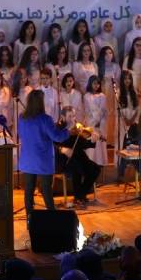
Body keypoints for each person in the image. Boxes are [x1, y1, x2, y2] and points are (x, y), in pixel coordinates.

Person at [18, 89, 70, 217]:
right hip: (43, 160)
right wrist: (68, 130)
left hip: (28, 159)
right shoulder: (45, 119)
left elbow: (25, 134)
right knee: (47, 192)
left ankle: (30, 221)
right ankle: (52, 220)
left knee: (29, 192)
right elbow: (57, 137)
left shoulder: (22, 118)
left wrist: (58, 126)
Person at [55, 107, 101, 208]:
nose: (73, 119)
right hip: (64, 160)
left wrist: (92, 141)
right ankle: (79, 197)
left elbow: (82, 144)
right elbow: (51, 145)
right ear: (63, 117)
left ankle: (80, 195)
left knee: (95, 169)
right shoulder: (57, 128)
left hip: (78, 157)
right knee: (77, 168)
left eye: (74, 116)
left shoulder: (76, 129)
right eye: (70, 116)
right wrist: (62, 149)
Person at [97, 45, 121, 147]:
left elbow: (118, 80)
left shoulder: (116, 66)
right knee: (104, 114)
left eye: (110, 53)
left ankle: (111, 139)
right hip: (103, 91)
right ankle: (104, 138)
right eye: (106, 53)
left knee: (112, 114)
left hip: (113, 91)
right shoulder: (99, 66)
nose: (108, 55)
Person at [83, 75, 108, 166]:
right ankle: (90, 162)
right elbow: (87, 110)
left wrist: (99, 121)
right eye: (94, 83)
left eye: (98, 84)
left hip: (101, 124)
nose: (96, 86)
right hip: (91, 123)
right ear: (90, 84)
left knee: (100, 144)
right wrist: (93, 121)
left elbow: (103, 110)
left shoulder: (102, 96)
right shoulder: (86, 96)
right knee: (92, 144)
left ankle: (100, 163)